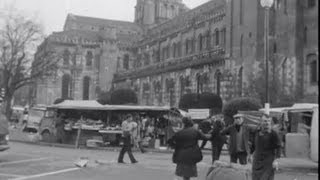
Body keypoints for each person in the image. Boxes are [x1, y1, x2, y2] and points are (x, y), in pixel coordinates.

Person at [251, 114, 281, 180]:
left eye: (268, 121)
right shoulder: (256, 132)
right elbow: (253, 145)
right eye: (265, 121)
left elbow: (278, 147)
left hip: (268, 163)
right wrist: (250, 155)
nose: (267, 123)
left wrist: (276, 160)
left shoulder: (273, 134)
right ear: (260, 122)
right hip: (256, 162)